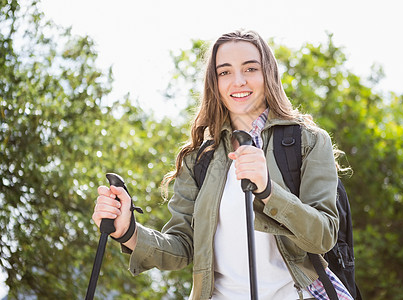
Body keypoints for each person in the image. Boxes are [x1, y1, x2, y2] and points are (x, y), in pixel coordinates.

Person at [92, 29, 353, 300]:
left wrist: (268, 191)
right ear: (214, 82)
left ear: (269, 74)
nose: (238, 81)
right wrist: (127, 231)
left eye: (250, 68)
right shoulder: (199, 158)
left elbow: (322, 237)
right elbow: (182, 248)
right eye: (225, 72)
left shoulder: (307, 141)